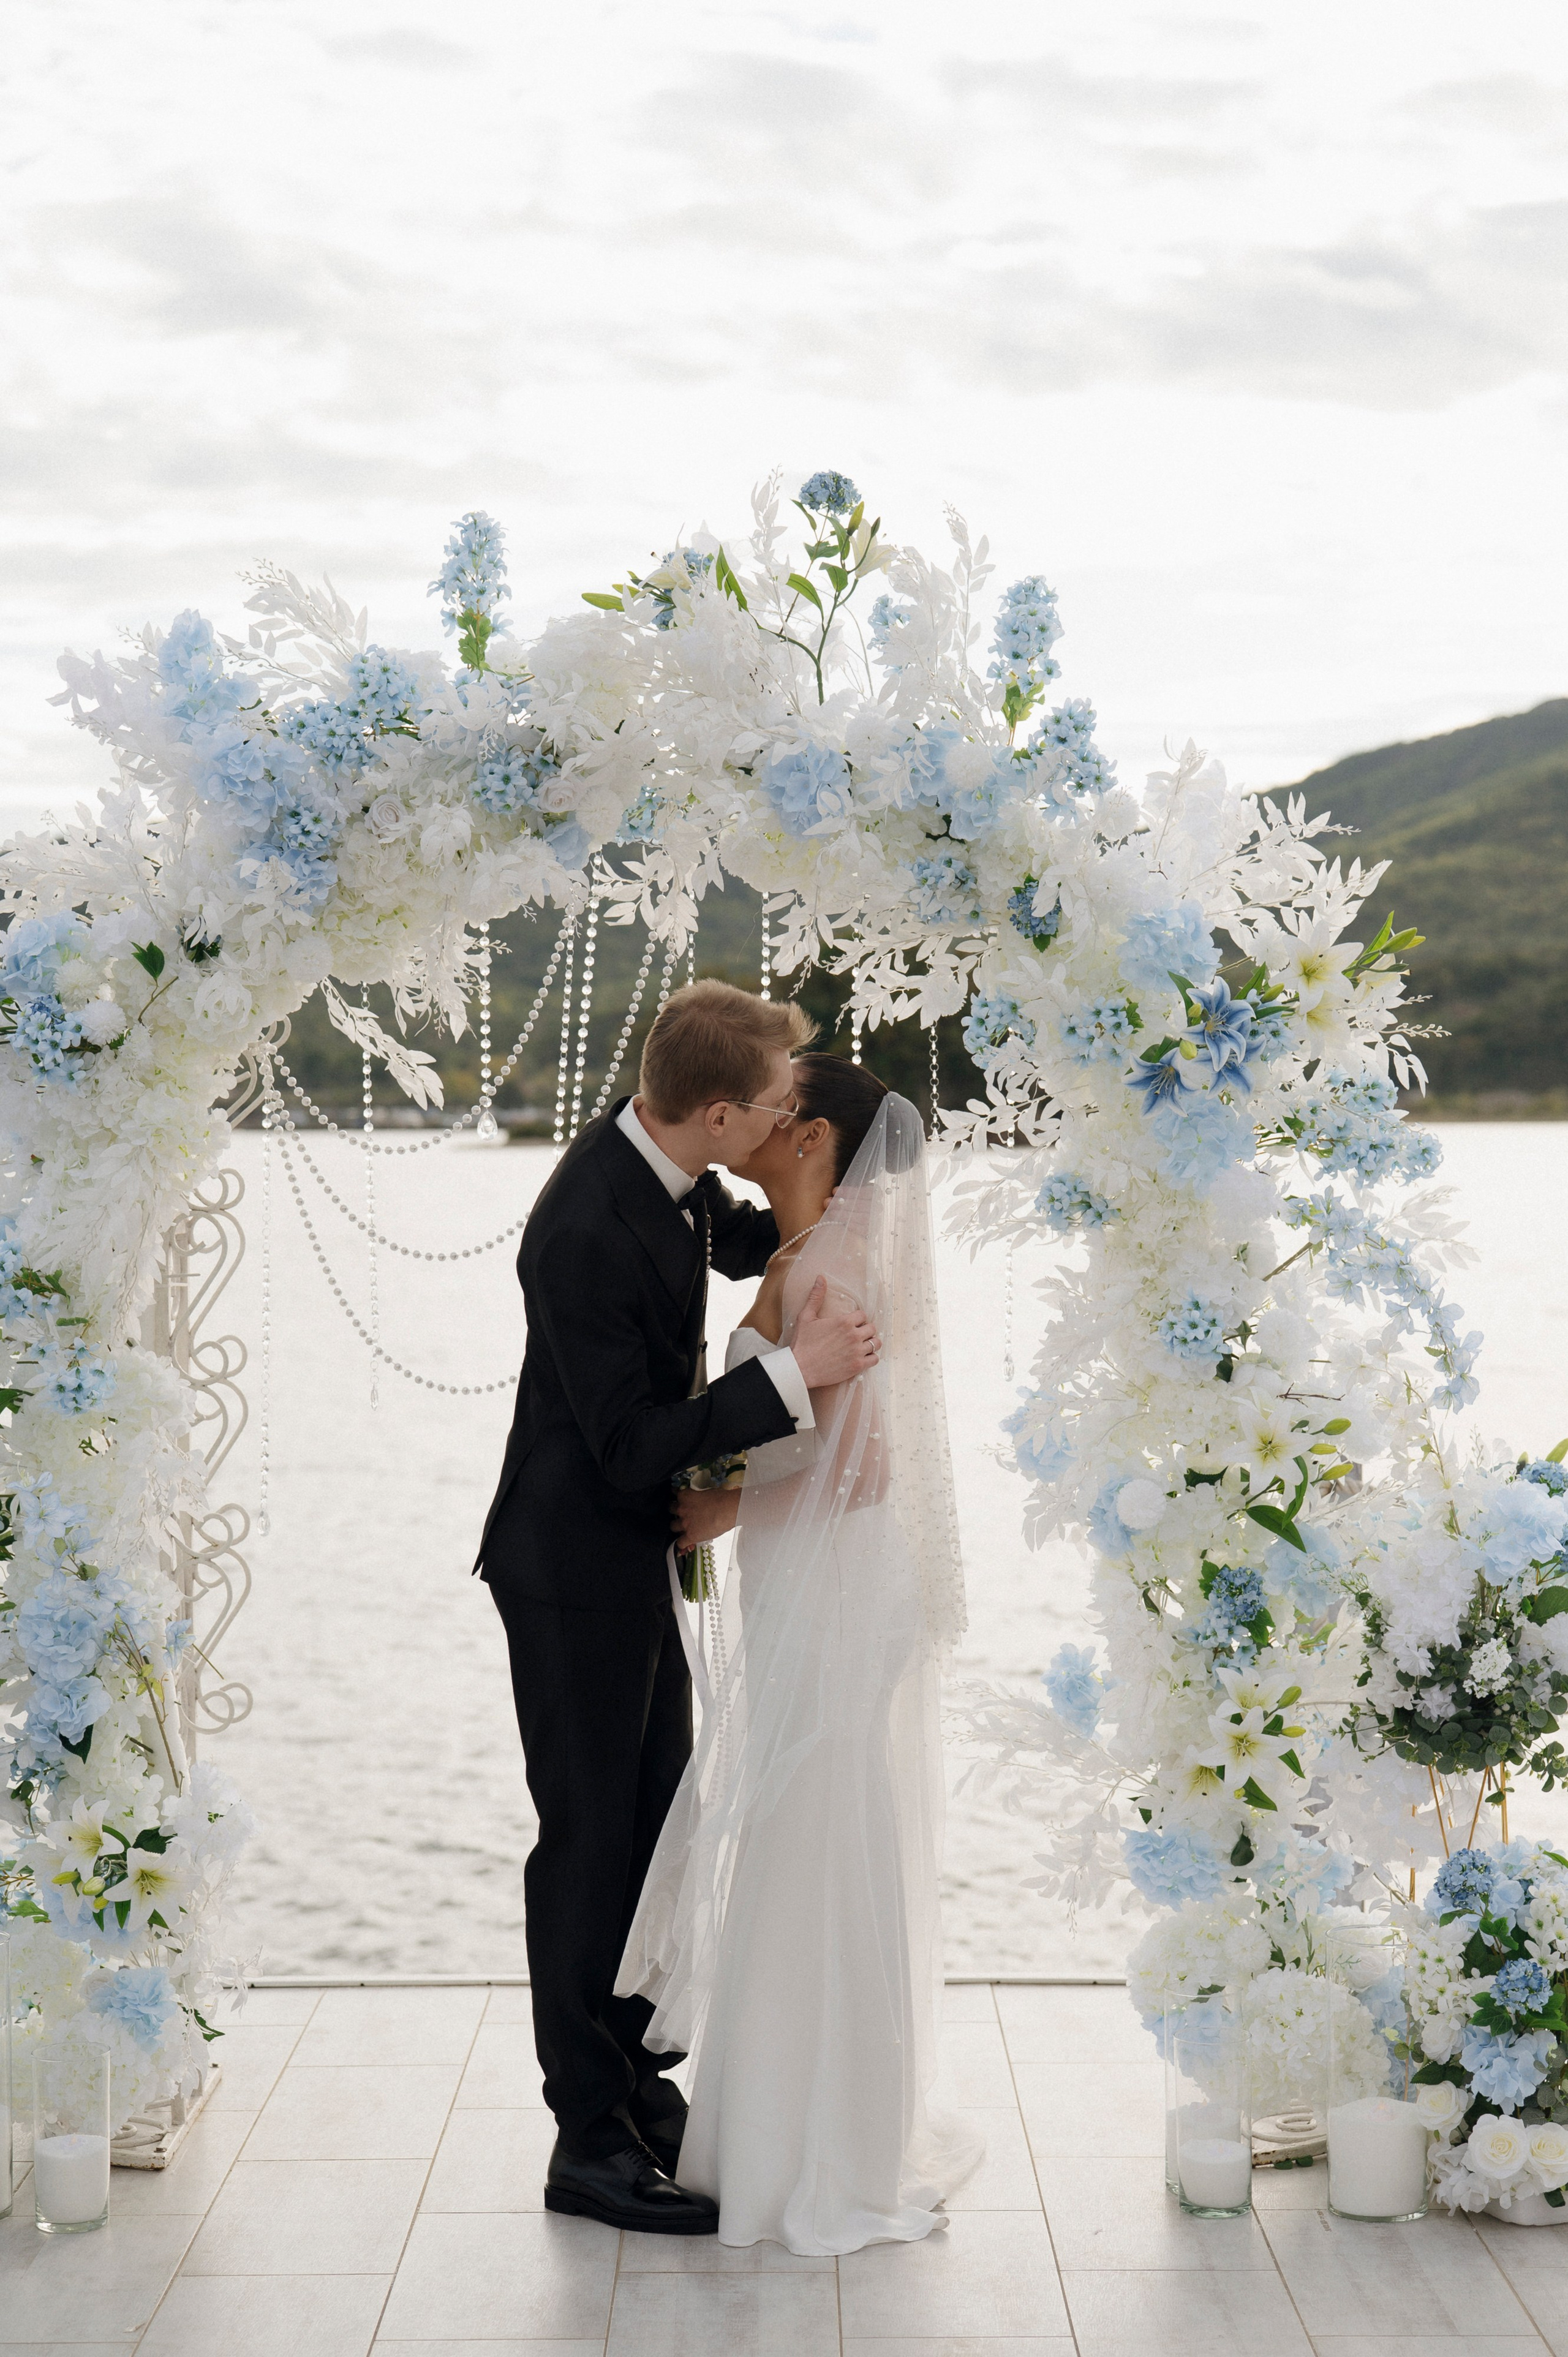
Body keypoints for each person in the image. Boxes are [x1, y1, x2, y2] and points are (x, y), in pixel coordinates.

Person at [474, 982, 882, 2236]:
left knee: (652, 1828)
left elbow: (736, 1239)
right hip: (568, 1567)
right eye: (768, 1105)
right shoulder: (584, 1226)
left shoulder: (664, 1152)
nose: (779, 1119)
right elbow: (627, 1442)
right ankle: (583, 2141)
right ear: (713, 1111)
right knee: (589, 1846)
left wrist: (832, 1222)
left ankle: (638, 2088)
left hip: (625, 1557)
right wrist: (786, 1379)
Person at [617, 1055, 980, 2253]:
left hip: (827, 1597)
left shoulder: (831, 1267)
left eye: (774, 1102)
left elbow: (858, 1461)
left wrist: (719, 1494)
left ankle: (811, 2155)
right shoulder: (807, 1251)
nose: (753, 1113)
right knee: (810, 1840)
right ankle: (799, 2132)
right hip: (819, 1587)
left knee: (807, 1846)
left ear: (811, 1131)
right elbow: (822, 1434)